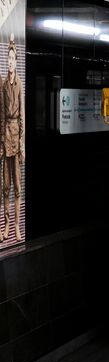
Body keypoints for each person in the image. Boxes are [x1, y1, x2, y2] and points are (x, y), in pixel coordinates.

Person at [2, 35, 24, 241]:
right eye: (7, 59)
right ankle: (7, 224)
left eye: (12, 59)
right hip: (5, 138)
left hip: (16, 139)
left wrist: (22, 146)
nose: (9, 62)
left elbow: (22, 116)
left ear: (16, 61)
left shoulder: (19, 84)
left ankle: (17, 225)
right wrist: (1, 142)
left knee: (17, 186)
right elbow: (1, 114)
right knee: (5, 186)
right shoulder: (2, 84)